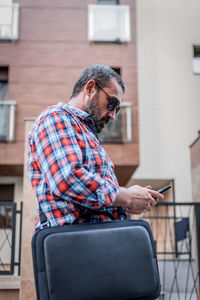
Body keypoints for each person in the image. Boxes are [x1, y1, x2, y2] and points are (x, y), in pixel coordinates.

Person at [28, 64, 164, 230]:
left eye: (117, 110)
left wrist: (125, 203)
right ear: (91, 88)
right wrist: (127, 196)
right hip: (73, 244)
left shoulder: (86, 133)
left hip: (91, 240)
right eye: (112, 103)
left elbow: (90, 197)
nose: (113, 115)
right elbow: (67, 180)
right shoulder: (56, 117)